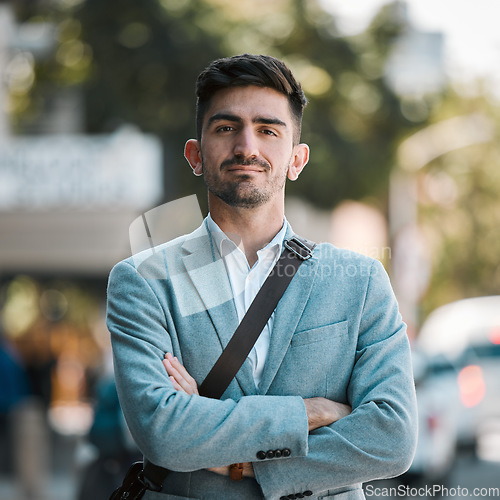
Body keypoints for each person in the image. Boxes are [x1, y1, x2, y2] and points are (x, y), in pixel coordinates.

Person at [106, 53, 417, 500]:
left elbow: (392, 438)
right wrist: (308, 413)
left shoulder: (360, 281)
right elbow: (163, 432)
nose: (247, 147)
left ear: (296, 159)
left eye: (269, 130)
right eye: (226, 127)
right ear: (196, 154)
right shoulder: (144, 280)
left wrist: (240, 464)